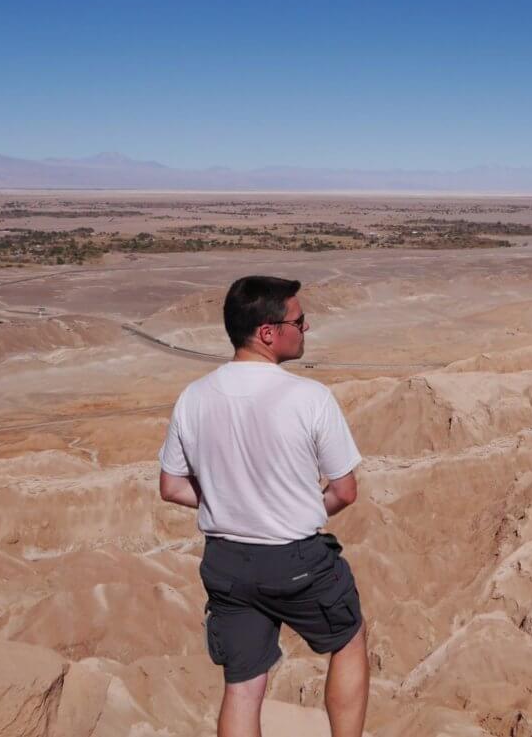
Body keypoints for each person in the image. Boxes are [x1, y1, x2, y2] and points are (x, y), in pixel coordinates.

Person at [158, 275, 368, 737]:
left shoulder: (193, 397)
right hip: (294, 559)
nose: (306, 328)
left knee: (242, 686)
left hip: (226, 562)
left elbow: (171, 487)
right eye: (299, 320)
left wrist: (231, 500)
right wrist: (292, 506)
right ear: (268, 333)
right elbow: (345, 490)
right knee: (349, 639)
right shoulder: (309, 398)